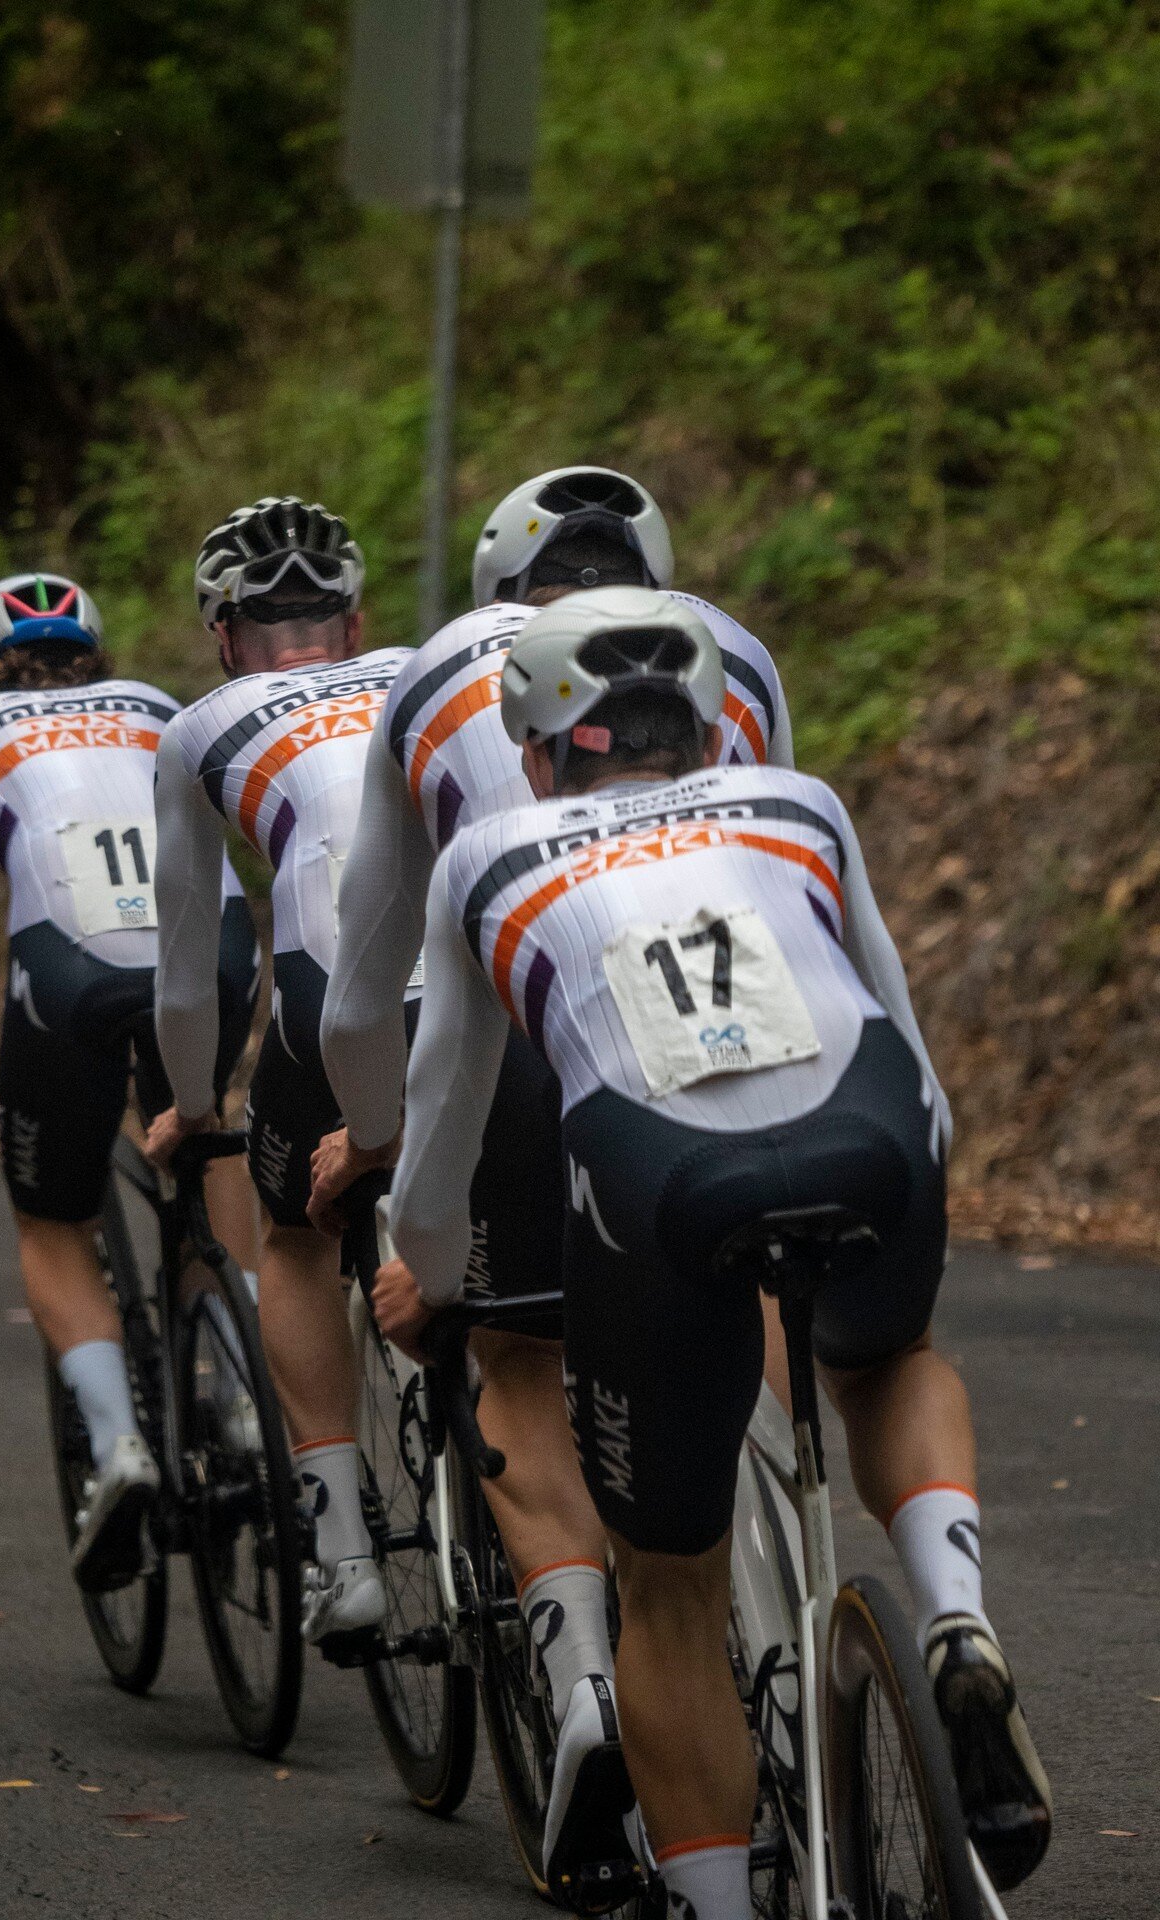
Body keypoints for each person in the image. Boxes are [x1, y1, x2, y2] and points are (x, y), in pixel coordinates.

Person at [376, 588, 1053, 1915]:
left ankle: (717, 1900)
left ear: (536, 745)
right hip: (874, 1141)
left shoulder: (490, 859)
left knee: (669, 1588)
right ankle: (957, 1619)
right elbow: (911, 1050)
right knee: (891, 1357)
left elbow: (445, 1130)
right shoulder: (799, 806)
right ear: (704, 723)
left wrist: (434, 1278)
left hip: (659, 1180)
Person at [310, 466, 791, 1905]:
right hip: (747, 1012)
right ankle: (786, 1596)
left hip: (532, 1020)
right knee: (736, 1276)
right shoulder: (736, 644)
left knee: (514, 1351)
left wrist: (377, 1139)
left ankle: (585, 1688)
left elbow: (365, 969)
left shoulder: (435, 677)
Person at [0, 572, 260, 1593]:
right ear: (94, 653)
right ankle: (245, 1384)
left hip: (69, 973)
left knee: (53, 1225)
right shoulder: (159, 706)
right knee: (200, 1122)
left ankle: (119, 1447)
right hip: (215, 953)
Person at [145, 497, 415, 1646]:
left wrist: (195, 1105)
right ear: (354, 625)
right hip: (487, 980)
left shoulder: (203, 725)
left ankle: (343, 1547)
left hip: (330, 991)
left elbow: (188, 973)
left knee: (292, 1234)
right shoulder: (430, 669)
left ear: (224, 633)